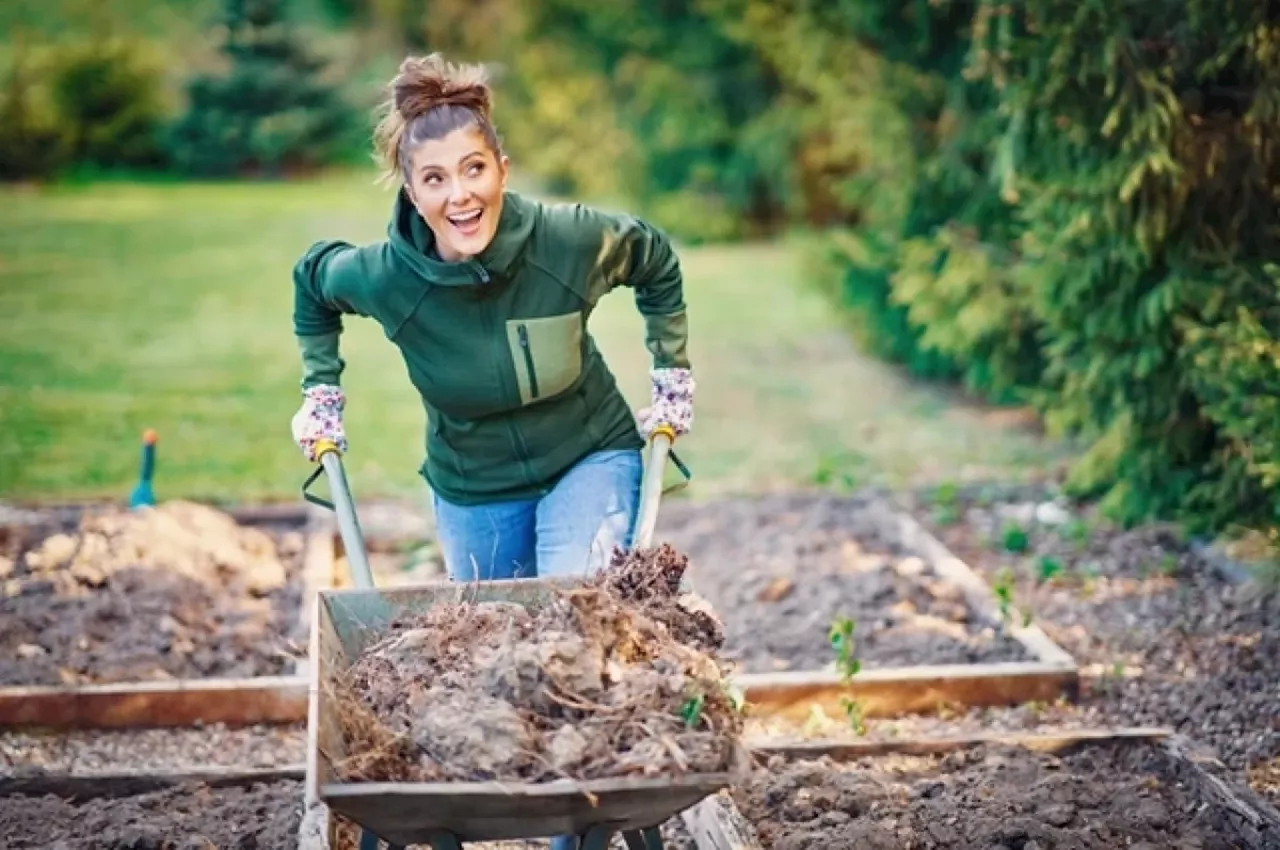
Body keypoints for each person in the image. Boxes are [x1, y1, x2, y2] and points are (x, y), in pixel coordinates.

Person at [289, 53, 695, 583]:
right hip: (473, 486)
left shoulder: (564, 241)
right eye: (434, 179)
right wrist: (321, 389)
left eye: (473, 169)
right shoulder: (388, 278)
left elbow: (653, 257)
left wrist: (672, 371)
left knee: (578, 603)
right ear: (413, 195)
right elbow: (312, 280)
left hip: (589, 456)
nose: (459, 196)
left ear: (502, 169)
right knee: (490, 638)